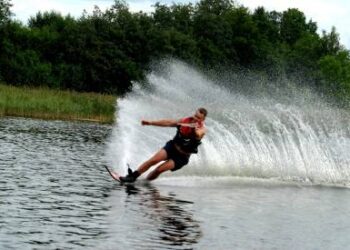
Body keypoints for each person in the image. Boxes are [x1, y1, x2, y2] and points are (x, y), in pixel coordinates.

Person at [119, 108, 208, 183]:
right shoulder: (184, 121)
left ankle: (145, 182)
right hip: (172, 147)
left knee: (159, 170)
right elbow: (168, 122)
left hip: (182, 157)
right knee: (153, 160)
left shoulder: (202, 129)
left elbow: (198, 135)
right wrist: (150, 123)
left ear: (202, 120)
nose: (195, 118)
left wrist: (194, 129)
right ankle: (132, 177)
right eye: (195, 115)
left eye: (198, 118)